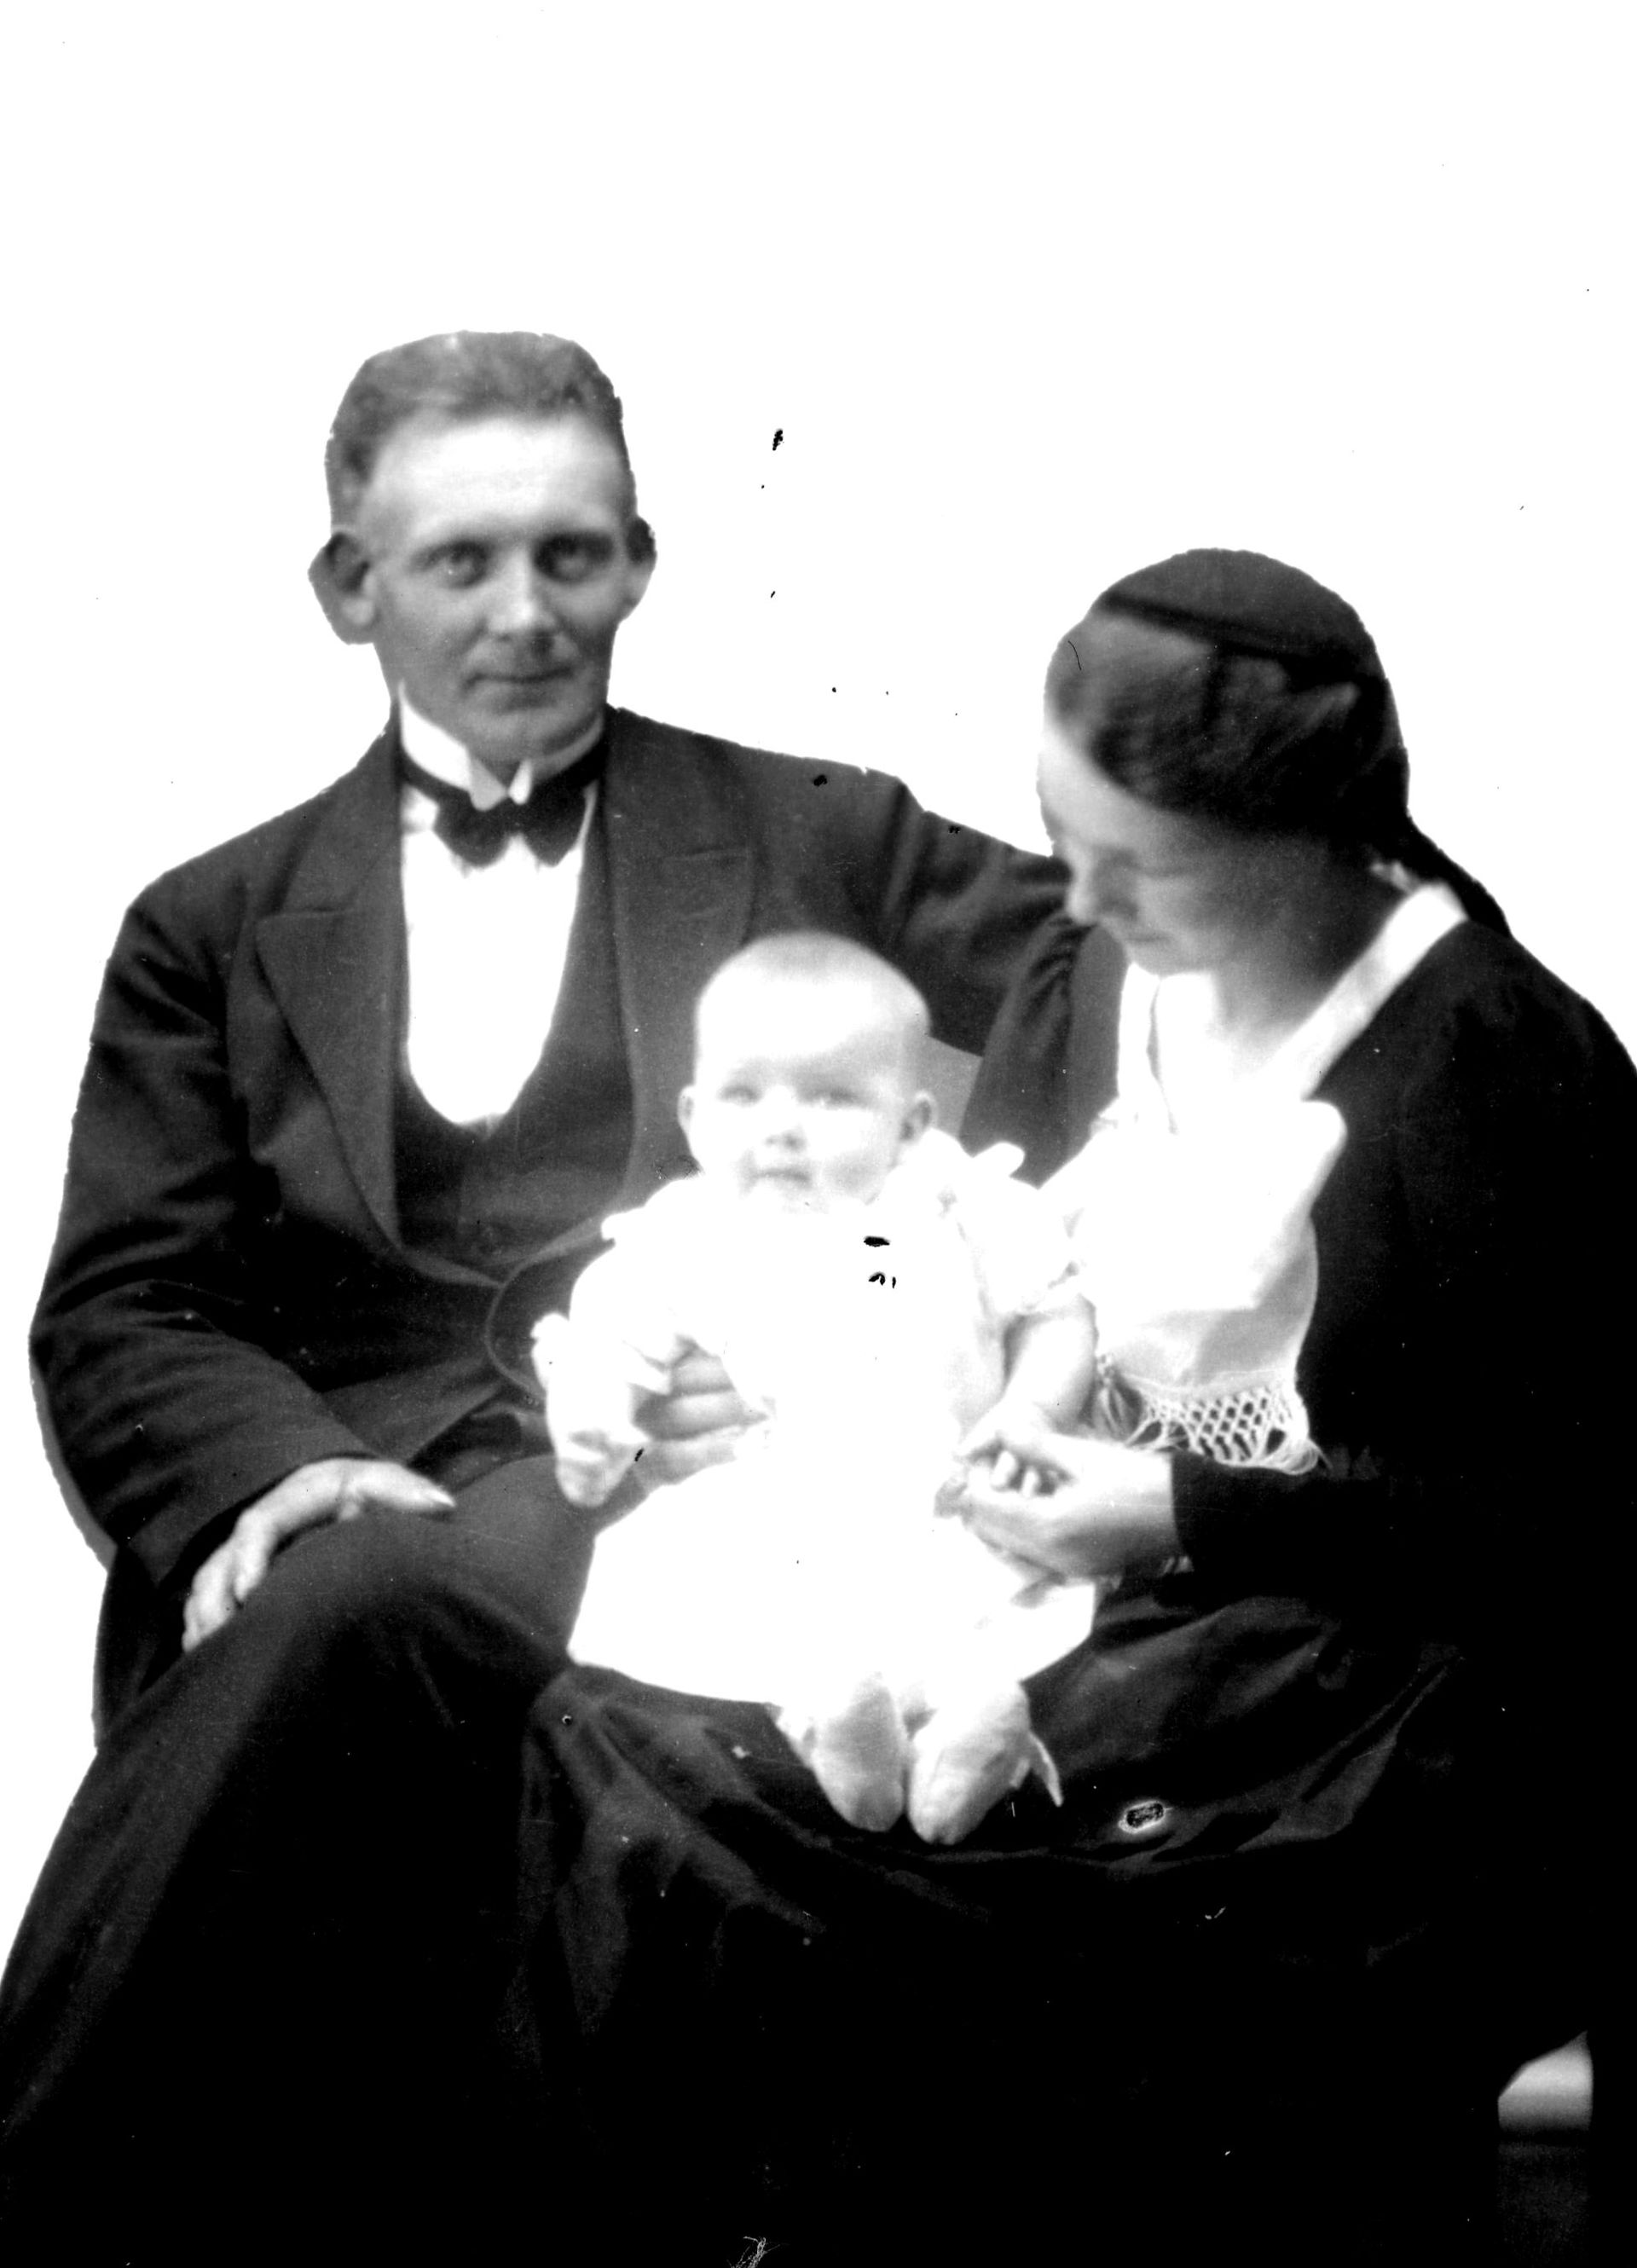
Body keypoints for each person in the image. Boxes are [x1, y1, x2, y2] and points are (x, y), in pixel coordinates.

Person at [0, 333, 1063, 2261]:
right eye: (461, 563)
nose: (526, 614)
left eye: (572, 555)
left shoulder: (815, 829)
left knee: (369, 1607)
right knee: (359, 1588)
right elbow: (123, 1302)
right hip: (365, 1483)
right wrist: (276, 1474)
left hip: (711, 1491)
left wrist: (909, 1311)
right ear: (350, 589)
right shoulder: (211, 924)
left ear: (641, 563)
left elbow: (1131, 978)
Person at [510, 549, 1634, 2265]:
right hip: (1068, 1579)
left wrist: (1180, 1507)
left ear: (1313, 837)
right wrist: (752, 1369)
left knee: (939, 1893)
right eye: (1064, 839)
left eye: (1141, 867)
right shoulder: (1102, 973)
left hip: (1362, 1666)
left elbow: (1568, 1523)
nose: (1083, 901)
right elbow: (936, 1252)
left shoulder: (1487, 1057)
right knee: (640, 1741)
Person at [539, 931, 1101, 1842]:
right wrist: (595, 1419)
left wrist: (1033, 1409)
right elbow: (609, 1343)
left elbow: (1057, 1309)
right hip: (779, 1511)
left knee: (971, 1615)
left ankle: (972, 1729)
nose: (781, 1127)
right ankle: (836, 1729)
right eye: (743, 1095)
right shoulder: (687, 1234)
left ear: (911, 1123)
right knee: (767, 1619)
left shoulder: (958, 1202)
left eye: (831, 1097)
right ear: (692, 1116)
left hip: (946, 1497)